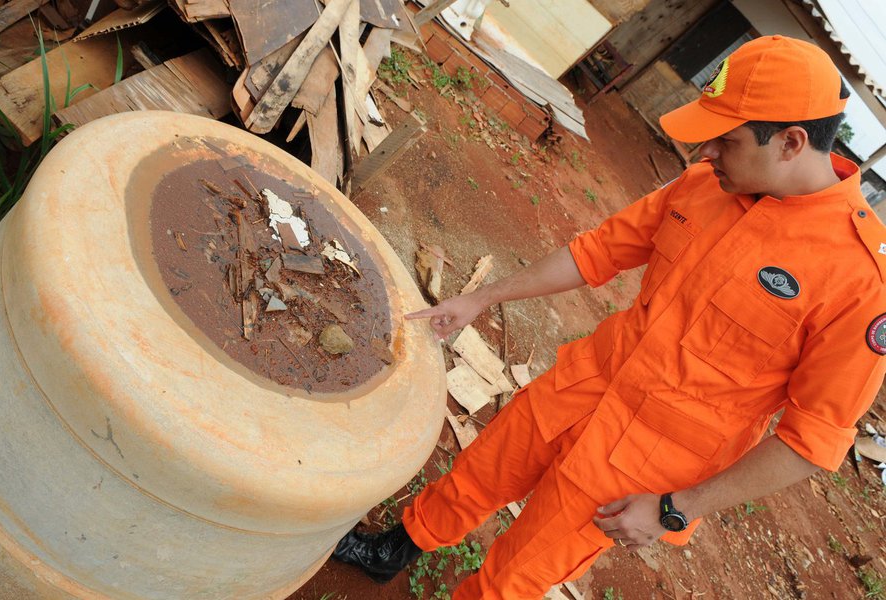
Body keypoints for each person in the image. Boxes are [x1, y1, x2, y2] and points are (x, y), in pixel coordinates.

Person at [333, 35, 886, 599]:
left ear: (791, 142)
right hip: (585, 383)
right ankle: (392, 552)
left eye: (726, 140)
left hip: (638, 466)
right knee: (478, 474)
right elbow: (597, 252)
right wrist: (483, 297)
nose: (706, 154)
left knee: (515, 577)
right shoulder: (705, 186)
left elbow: (810, 443)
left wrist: (675, 509)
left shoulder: (860, 280)